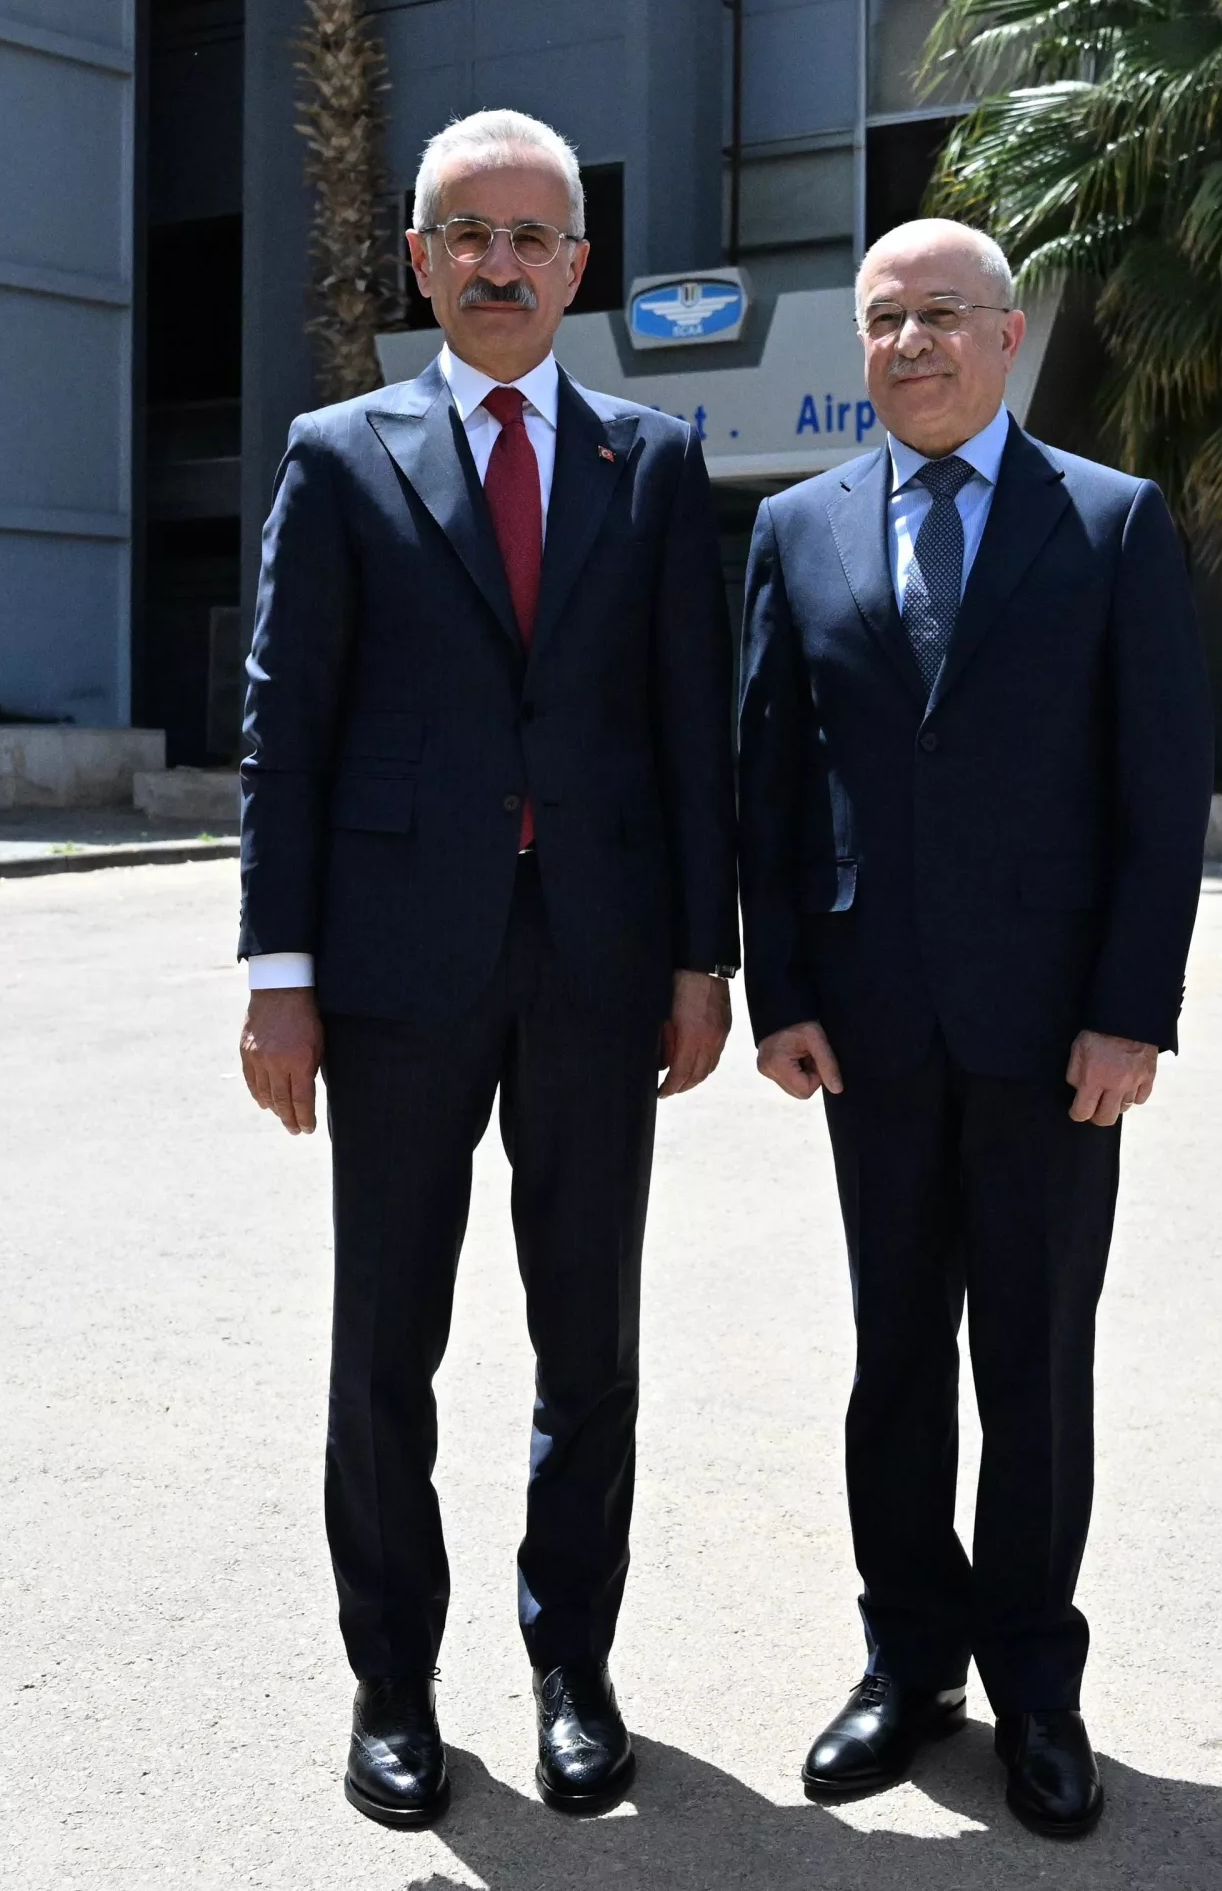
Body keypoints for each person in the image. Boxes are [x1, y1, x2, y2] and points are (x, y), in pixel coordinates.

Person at [237, 109, 738, 1829]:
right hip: (393, 970)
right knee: (387, 1339)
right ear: (419, 259)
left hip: (600, 964)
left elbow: (689, 732)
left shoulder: (648, 463)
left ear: (578, 264)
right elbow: (284, 730)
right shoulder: (337, 455)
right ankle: (392, 1683)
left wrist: (700, 961)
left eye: (532, 237)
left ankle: (572, 1668)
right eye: (469, 234)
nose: (501, 264)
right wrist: (280, 972)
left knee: (587, 1340)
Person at [737, 217, 1213, 1840]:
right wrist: (782, 990)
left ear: (1008, 337)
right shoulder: (795, 528)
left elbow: (1160, 789)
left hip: (1051, 1038)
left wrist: (1128, 1015)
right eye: (882, 320)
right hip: (866, 1030)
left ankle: (1034, 1685)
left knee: (1033, 1363)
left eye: (941, 314)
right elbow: (767, 779)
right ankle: (907, 1661)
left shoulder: (1110, 520)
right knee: (892, 1361)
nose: (910, 343)